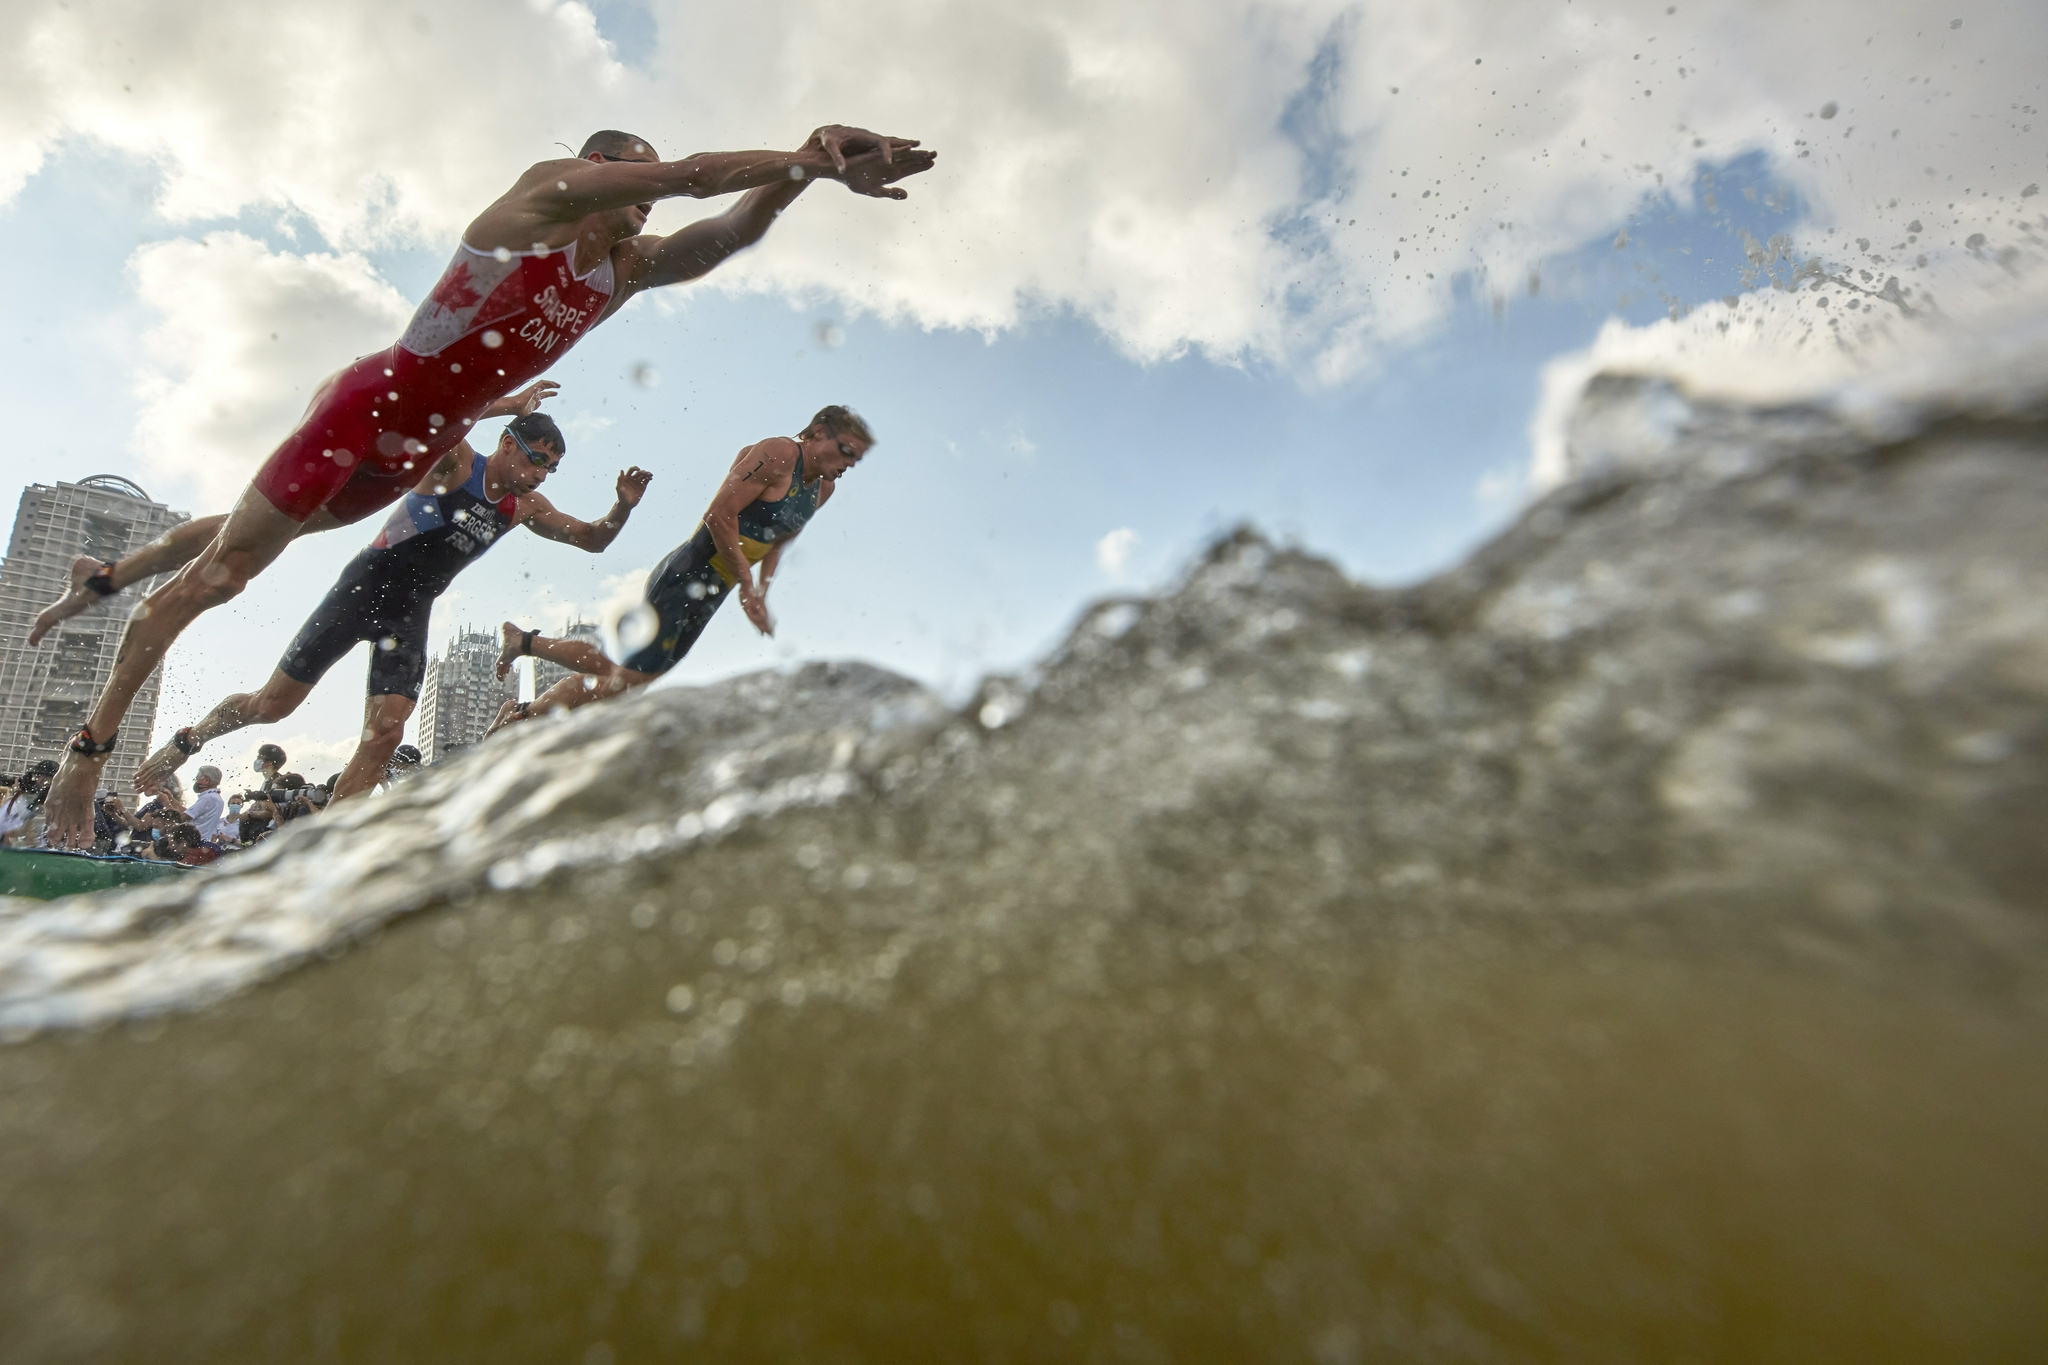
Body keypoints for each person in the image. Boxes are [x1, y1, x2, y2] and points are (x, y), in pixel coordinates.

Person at [36, 123, 934, 846]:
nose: (644, 197)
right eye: (636, 178)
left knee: (264, 554)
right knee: (225, 577)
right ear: (599, 170)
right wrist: (799, 155)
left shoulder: (621, 272)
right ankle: (91, 748)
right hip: (366, 407)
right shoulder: (541, 199)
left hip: (412, 450)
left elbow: (728, 229)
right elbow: (696, 181)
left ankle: (128, 597)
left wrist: (808, 169)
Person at [135, 412, 651, 802]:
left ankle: (326, 847)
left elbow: (592, 540)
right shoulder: (457, 462)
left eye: (552, 468)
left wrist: (623, 507)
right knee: (271, 706)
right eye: (537, 459)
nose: (542, 476)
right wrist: (506, 402)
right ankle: (188, 740)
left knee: (386, 734)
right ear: (506, 444)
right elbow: (440, 412)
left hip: (410, 613)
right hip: (362, 589)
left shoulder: (526, 508)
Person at [490, 406, 869, 734]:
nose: (849, 462)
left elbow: (780, 540)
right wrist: (747, 584)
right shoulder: (779, 453)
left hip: (716, 588)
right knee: (623, 676)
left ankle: (520, 714)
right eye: (846, 450)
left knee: (621, 685)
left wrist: (761, 591)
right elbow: (719, 515)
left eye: (856, 458)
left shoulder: (822, 490)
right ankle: (524, 645)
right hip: (689, 573)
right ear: (819, 433)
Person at [186, 766, 227, 843]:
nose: (196, 781)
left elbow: (183, 817)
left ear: (206, 780)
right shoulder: (215, 797)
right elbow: (189, 812)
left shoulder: (208, 798)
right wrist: (171, 799)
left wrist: (166, 802)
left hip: (195, 843)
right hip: (203, 842)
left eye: (197, 778)